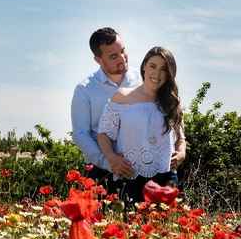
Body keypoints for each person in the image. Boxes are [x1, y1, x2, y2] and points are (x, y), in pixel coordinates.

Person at [96, 46, 186, 203]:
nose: (157, 74)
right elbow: (104, 133)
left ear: (169, 74)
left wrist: (181, 154)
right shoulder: (122, 96)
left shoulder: (171, 102)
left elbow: (180, 138)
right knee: (128, 226)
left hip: (165, 178)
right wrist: (112, 158)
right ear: (144, 66)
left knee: (165, 226)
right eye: (152, 66)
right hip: (130, 175)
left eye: (163, 69)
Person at [71, 27, 139, 191]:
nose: (122, 58)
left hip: (141, 170)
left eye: (123, 51)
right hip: (102, 174)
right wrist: (109, 162)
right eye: (113, 56)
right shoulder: (85, 89)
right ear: (98, 60)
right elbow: (81, 134)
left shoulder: (143, 79)